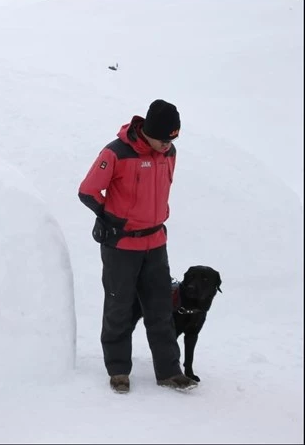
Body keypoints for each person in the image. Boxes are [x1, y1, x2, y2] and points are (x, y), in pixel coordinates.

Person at [78, 99, 197, 394]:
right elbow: (88, 190)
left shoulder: (169, 152)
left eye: (173, 139)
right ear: (147, 132)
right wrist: (108, 218)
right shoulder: (116, 152)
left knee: (160, 308)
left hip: (155, 242)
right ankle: (118, 370)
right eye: (162, 140)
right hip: (121, 245)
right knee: (119, 307)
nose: (167, 146)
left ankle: (169, 371)